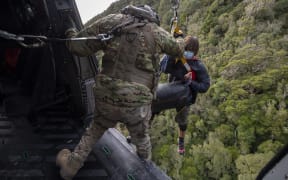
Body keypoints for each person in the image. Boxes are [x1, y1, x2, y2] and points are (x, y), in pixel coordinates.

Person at [56, 5, 185, 180]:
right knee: (142, 139)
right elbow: (178, 50)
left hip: (107, 97)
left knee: (95, 130)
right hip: (137, 105)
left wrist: (70, 32)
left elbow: (78, 46)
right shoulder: (157, 33)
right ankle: (143, 168)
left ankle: (71, 166)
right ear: (151, 17)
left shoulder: (113, 22)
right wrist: (180, 38)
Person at [152, 36, 210, 155]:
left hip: (185, 98)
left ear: (195, 53)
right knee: (152, 109)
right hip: (171, 91)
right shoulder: (176, 58)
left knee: (182, 121)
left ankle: (181, 140)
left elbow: (205, 86)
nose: (187, 54)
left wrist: (191, 83)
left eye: (191, 52)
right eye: (186, 50)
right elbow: (163, 67)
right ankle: (140, 133)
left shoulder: (198, 66)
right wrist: (171, 53)